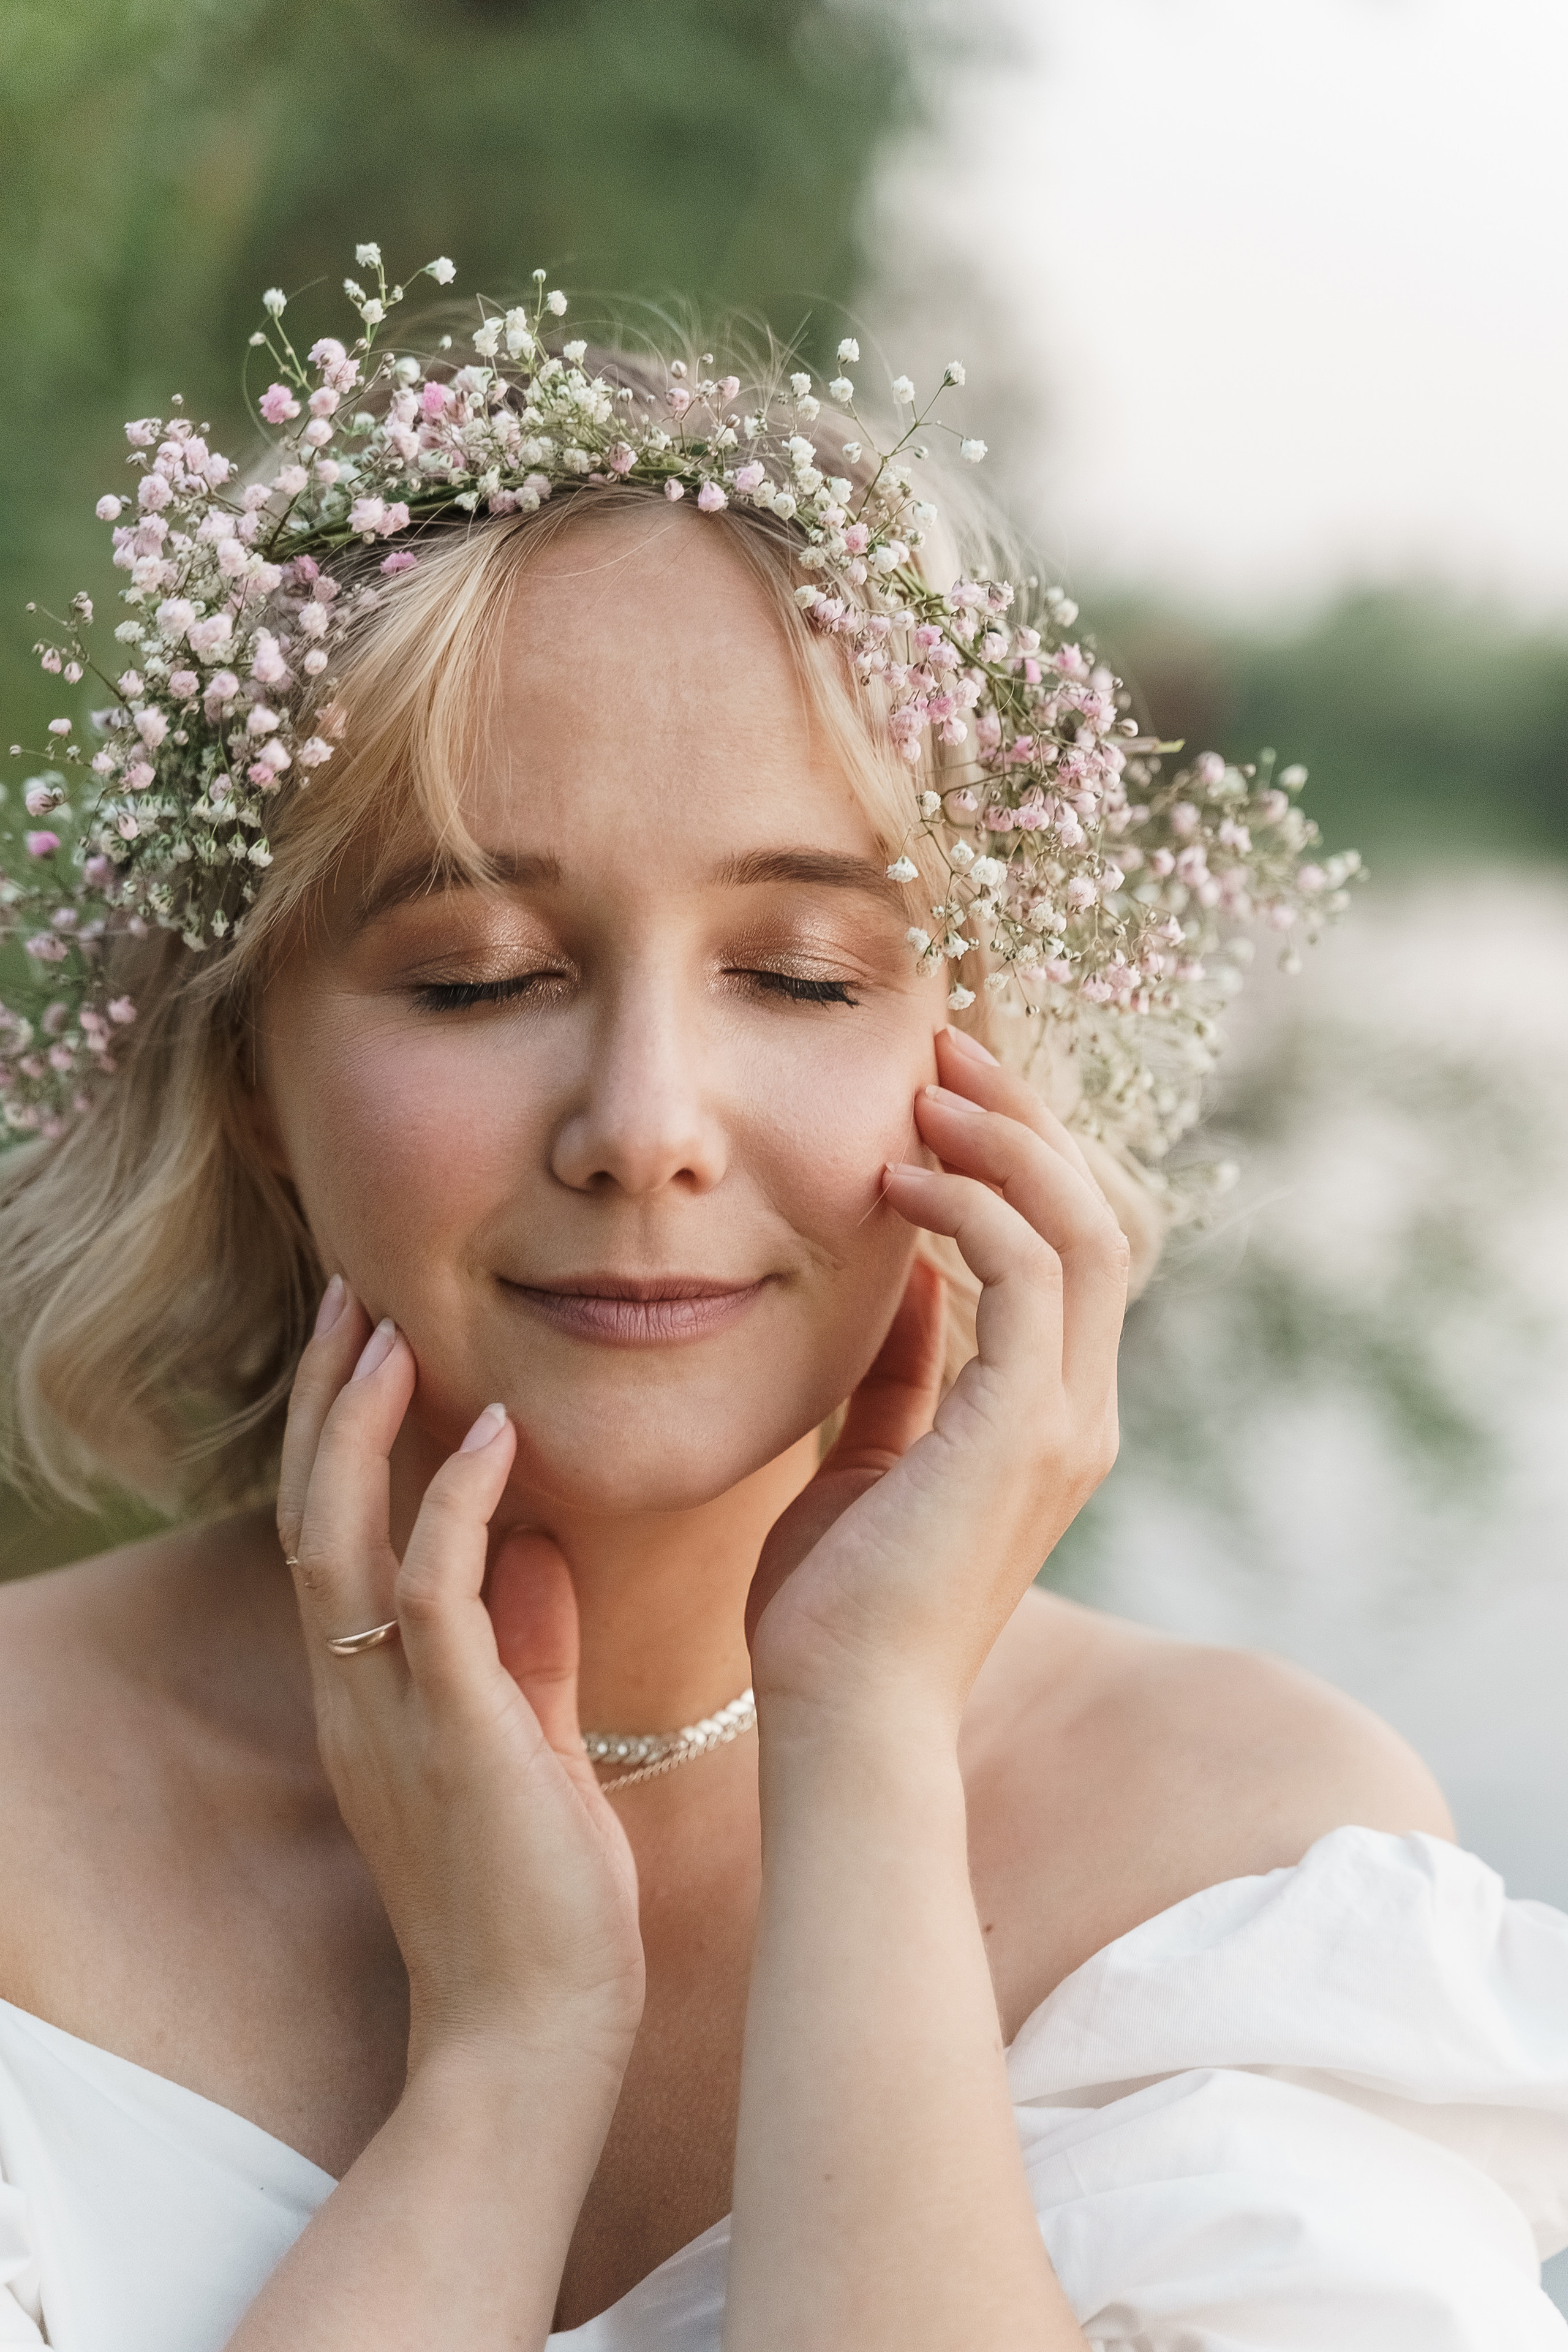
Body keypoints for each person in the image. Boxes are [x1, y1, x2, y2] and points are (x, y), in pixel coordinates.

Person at [0, 262, 1564, 2352]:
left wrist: (866, 1747)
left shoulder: (1249, 1872)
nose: (645, 1126)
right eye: (475, 977)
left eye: (802, 975)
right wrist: (510, 2061)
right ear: (254, 1086)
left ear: (973, 1059)